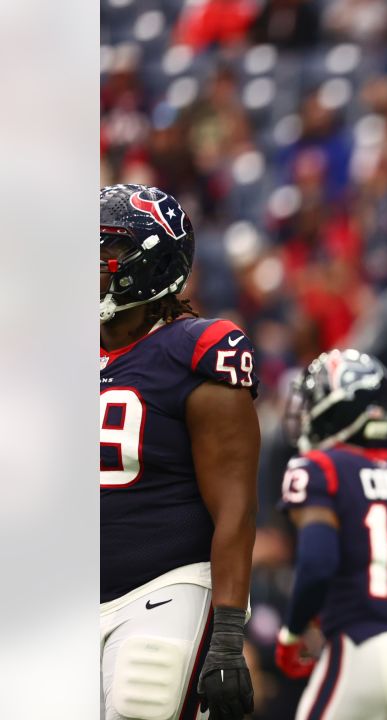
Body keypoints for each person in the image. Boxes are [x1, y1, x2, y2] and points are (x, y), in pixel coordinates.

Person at [99, 184, 258, 720]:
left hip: (165, 588)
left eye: (107, 250)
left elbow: (234, 505)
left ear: (151, 261)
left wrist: (230, 632)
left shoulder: (195, 350)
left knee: (137, 709)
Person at [275, 348, 387, 719]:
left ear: (339, 406)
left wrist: (292, 632)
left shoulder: (320, 467)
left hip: (361, 647)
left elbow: (316, 564)